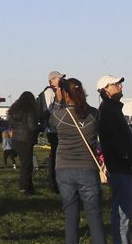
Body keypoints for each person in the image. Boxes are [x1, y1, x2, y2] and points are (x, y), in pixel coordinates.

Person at [50, 78, 106, 244]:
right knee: (94, 216)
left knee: (71, 216)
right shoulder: (94, 114)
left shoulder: (59, 116)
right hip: (88, 168)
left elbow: (50, 122)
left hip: (64, 168)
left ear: (65, 93)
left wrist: (59, 100)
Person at [96, 75, 132, 244]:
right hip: (120, 166)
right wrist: (126, 159)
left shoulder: (112, 109)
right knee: (122, 213)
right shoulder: (107, 110)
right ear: (106, 89)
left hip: (123, 165)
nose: (120, 86)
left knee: (123, 212)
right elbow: (112, 141)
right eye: (116, 84)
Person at [7, 90, 41, 194]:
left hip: (16, 139)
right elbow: (32, 127)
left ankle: (28, 186)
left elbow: (10, 125)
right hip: (26, 139)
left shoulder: (13, 110)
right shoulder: (29, 110)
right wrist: (41, 126)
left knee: (24, 164)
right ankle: (24, 187)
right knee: (27, 165)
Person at [40, 70, 66, 193]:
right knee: (55, 154)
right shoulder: (49, 92)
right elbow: (51, 110)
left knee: (56, 153)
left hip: (55, 126)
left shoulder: (57, 91)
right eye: (58, 78)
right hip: (52, 128)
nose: (60, 80)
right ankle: (53, 182)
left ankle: (56, 181)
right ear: (51, 80)